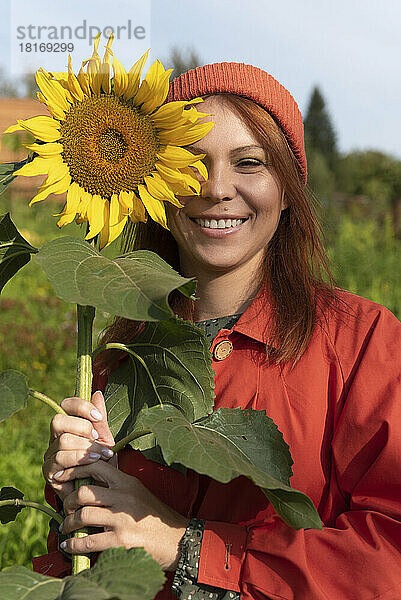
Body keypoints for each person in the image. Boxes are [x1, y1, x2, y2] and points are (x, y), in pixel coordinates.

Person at [34, 63, 401, 599]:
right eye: (191, 162)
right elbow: (83, 566)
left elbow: (388, 557)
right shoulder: (122, 354)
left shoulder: (362, 344)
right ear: (154, 181)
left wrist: (187, 545)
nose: (216, 188)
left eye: (248, 163)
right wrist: (75, 498)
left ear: (288, 189)